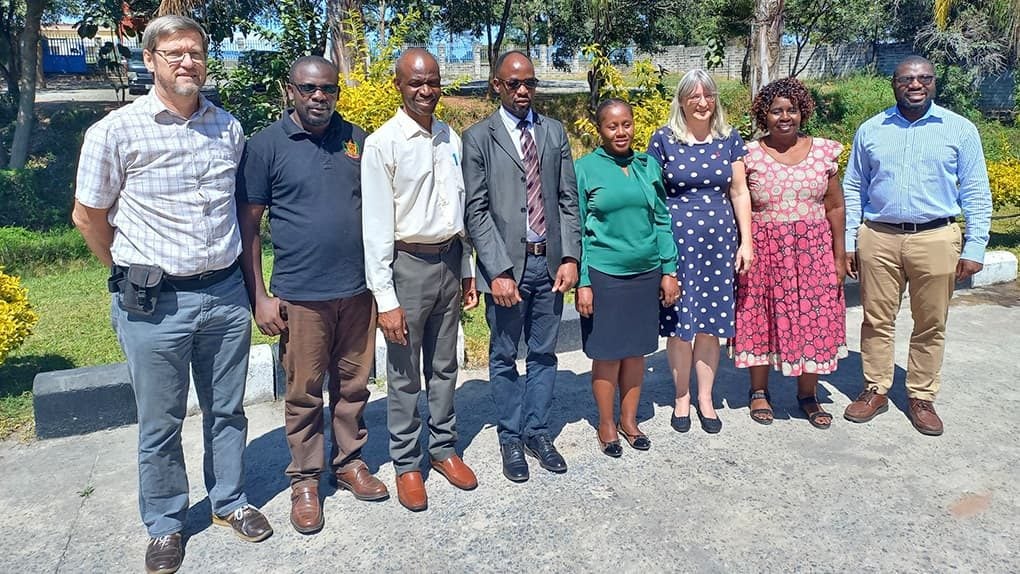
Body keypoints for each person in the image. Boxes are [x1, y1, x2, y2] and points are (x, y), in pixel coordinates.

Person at [72, 15, 272, 574]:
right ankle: (165, 522)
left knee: (226, 411)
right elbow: (87, 216)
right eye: (174, 52)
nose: (187, 62)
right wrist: (122, 270)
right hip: (154, 304)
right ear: (151, 60)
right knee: (159, 422)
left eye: (196, 52)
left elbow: (238, 209)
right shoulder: (116, 131)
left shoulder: (227, 128)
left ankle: (231, 501)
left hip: (226, 295)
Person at [237, 56, 387, 535]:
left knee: (353, 386)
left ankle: (349, 463)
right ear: (292, 90)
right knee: (303, 392)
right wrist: (259, 295)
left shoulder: (358, 140)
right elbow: (249, 225)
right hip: (300, 296)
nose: (319, 97)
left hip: (357, 290)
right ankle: (305, 480)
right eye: (309, 89)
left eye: (328, 89)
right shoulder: (265, 146)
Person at [842, 55, 992, 436]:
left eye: (924, 78)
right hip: (879, 237)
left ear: (934, 83)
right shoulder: (871, 129)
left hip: (936, 236)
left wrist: (975, 246)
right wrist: (848, 240)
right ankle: (875, 390)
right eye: (907, 78)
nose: (915, 85)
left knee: (931, 322)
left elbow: (976, 190)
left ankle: (921, 396)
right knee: (876, 319)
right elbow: (853, 187)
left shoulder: (959, 129)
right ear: (893, 83)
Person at [361, 48, 479, 511]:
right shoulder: (383, 143)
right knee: (405, 371)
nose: (426, 91)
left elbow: (460, 207)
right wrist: (385, 297)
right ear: (398, 85)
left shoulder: (450, 136)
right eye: (415, 83)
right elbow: (374, 228)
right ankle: (408, 463)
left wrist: (466, 269)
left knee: (445, 364)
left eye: (432, 81)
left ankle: (444, 448)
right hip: (406, 267)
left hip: (449, 261)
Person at [462, 50, 581, 482]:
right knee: (505, 354)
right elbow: (475, 212)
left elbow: (568, 200)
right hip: (506, 271)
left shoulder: (553, 132)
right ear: (497, 85)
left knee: (545, 353)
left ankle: (537, 431)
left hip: (548, 265)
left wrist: (570, 257)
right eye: (514, 84)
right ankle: (510, 435)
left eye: (530, 82)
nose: (523, 91)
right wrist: (497, 271)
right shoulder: (478, 137)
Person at [730, 77, 847, 429]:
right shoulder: (747, 154)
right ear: (763, 115)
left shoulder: (825, 151)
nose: (785, 117)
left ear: (802, 113)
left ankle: (807, 394)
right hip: (764, 249)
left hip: (814, 250)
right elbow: (738, 202)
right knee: (758, 316)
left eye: (792, 110)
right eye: (776, 111)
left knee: (814, 317)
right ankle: (759, 391)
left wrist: (840, 256)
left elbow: (836, 207)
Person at [647, 68, 753, 435]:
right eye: (694, 96)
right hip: (677, 246)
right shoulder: (663, 140)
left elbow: (740, 192)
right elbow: (653, 197)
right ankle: (682, 397)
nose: (702, 102)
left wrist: (747, 241)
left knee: (710, 326)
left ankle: (706, 398)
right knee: (680, 326)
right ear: (681, 101)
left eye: (708, 95)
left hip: (719, 246)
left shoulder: (730, 139)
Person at [574, 99, 680, 457]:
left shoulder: (648, 165)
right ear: (600, 130)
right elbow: (578, 232)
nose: (621, 132)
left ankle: (629, 420)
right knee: (607, 353)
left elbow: (662, 220)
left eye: (627, 124)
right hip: (605, 274)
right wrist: (583, 281)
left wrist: (669, 270)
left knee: (636, 353)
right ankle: (606, 423)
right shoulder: (585, 169)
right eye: (612, 126)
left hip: (646, 273)